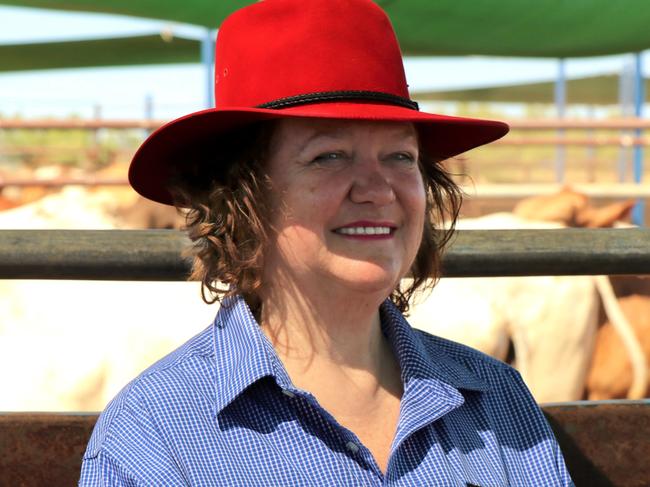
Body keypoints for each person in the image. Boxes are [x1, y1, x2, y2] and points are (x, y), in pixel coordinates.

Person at [80, 0, 575, 485]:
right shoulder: (155, 438)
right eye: (329, 155)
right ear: (241, 196)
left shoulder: (497, 401)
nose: (378, 190)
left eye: (401, 157)